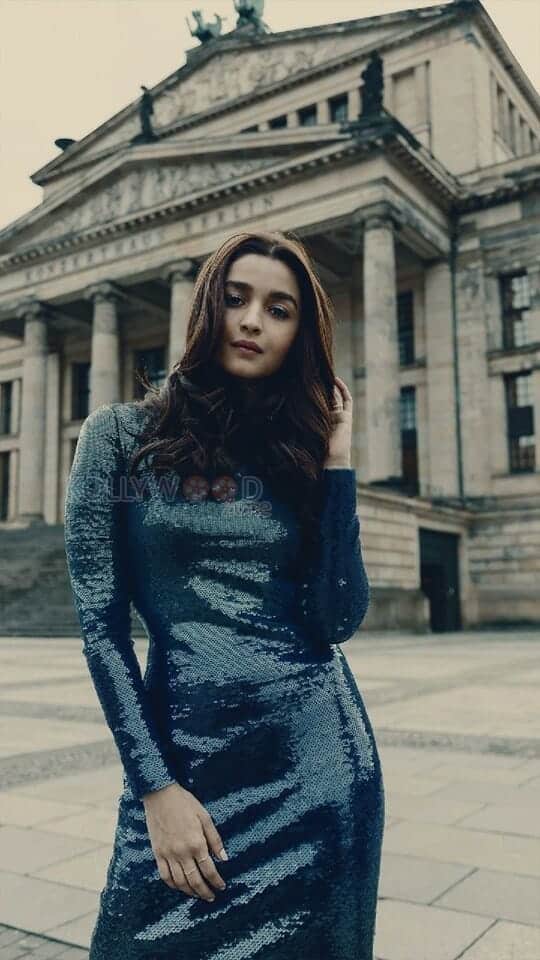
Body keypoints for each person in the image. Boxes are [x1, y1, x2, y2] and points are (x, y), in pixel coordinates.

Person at [64, 229, 385, 960]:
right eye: (236, 299)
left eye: (280, 309)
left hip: (319, 764)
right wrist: (155, 788)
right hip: (183, 766)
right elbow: (101, 629)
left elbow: (335, 618)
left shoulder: (297, 452)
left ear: (300, 333)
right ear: (206, 305)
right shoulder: (118, 437)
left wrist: (336, 464)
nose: (251, 321)